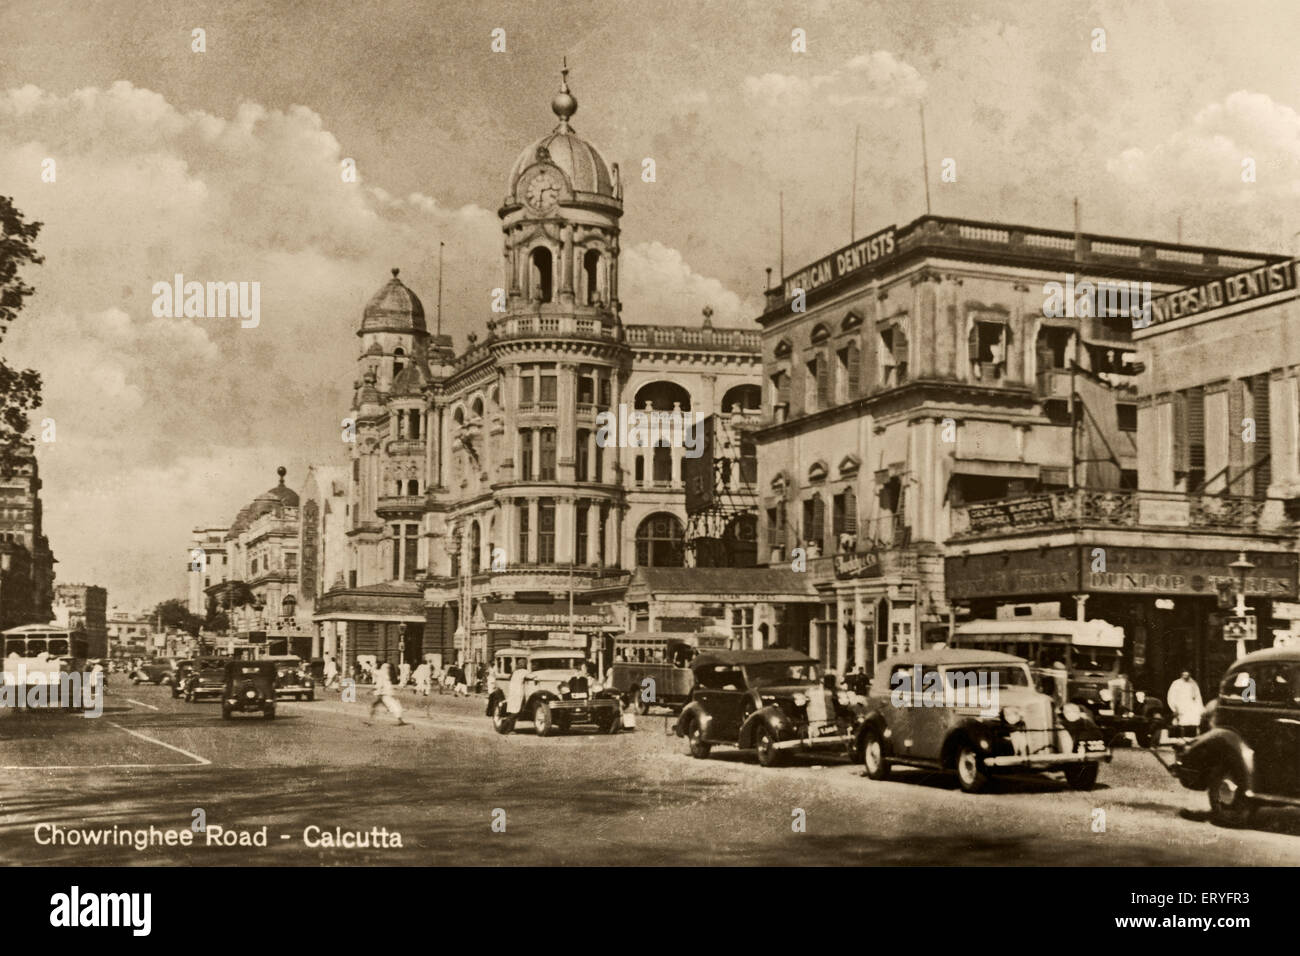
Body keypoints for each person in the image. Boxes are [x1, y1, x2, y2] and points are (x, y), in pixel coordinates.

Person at [367, 661, 409, 726]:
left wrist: (371, 690)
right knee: (375, 705)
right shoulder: (384, 673)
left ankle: (400, 719)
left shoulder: (382, 673)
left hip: (384, 694)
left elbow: (374, 672)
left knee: (392, 706)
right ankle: (370, 721)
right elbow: (374, 671)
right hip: (384, 693)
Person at [1167, 670, 1203, 738]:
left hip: (1190, 705)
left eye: (1187, 675)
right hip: (1180, 705)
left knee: (1192, 721)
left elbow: (1198, 696)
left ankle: (1191, 737)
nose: (1185, 676)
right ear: (1181, 674)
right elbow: (1171, 696)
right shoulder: (1176, 683)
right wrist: (1174, 707)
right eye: (1184, 675)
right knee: (1181, 722)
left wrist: (1199, 707)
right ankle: (1180, 738)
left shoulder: (1193, 683)